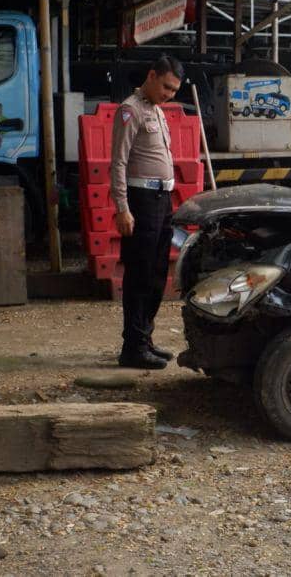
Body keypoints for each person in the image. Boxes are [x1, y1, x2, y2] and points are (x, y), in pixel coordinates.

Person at [110, 56, 184, 369]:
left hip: (161, 199)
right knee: (139, 274)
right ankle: (133, 347)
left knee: (157, 273)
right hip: (141, 201)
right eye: (166, 87)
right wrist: (122, 208)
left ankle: (145, 339)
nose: (170, 94)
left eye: (174, 90)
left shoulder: (156, 109)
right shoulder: (130, 109)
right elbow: (118, 162)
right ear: (152, 75)